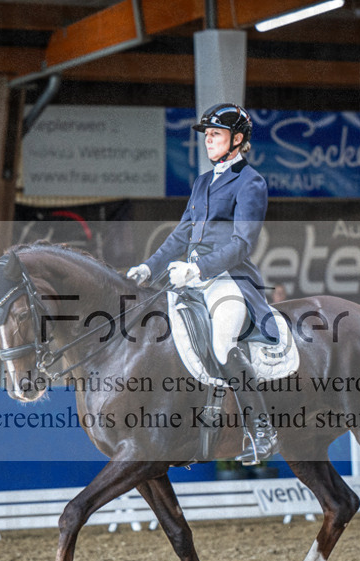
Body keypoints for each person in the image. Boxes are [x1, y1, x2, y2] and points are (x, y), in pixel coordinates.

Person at [126, 103, 277, 463]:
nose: (208, 141)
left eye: (216, 135)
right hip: (189, 278)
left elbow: (242, 243)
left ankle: (262, 430)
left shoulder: (250, 182)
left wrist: (199, 270)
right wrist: (149, 267)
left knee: (223, 342)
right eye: (207, 135)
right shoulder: (201, 182)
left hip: (228, 280)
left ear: (237, 139)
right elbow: (181, 235)